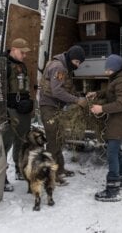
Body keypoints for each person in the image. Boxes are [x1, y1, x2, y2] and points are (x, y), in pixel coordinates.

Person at [87, 54, 122, 202]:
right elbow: (111, 92)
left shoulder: (121, 82)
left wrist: (101, 108)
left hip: (120, 121)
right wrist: (97, 93)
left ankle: (113, 189)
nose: (106, 72)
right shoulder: (118, 79)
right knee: (114, 150)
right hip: (119, 121)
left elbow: (121, 104)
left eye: (108, 70)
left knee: (112, 153)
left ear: (115, 68)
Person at [39, 45, 87, 186]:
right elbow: (57, 92)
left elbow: (67, 88)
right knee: (53, 141)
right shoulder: (59, 67)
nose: (77, 66)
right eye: (77, 62)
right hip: (49, 107)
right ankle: (51, 175)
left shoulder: (64, 66)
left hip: (56, 107)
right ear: (71, 58)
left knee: (59, 138)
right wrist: (77, 100)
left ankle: (59, 169)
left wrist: (80, 96)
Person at [2, 38, 34, 192]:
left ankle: (19, 169)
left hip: (23, 111)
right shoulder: (3, 66)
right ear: (13, 49)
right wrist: (6, 109)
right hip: (9, 111)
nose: (24, 55)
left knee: (21, 141)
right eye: (22, 52)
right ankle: (2, 178)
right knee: (5, 144)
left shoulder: (22, 66)